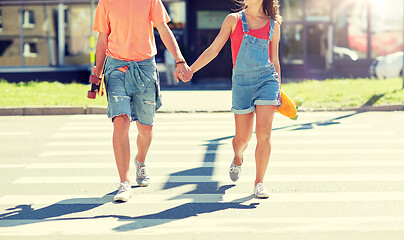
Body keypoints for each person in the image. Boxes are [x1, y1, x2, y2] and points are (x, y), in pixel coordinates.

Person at [93, 0, 192, 202]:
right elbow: (103, 39)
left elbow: (163, 29)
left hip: (145, 67)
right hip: (116, 66)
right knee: (120, 120)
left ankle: (141, 161)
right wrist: (96, 75)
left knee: (145, 127)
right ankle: (124, 182)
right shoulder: (106, 2)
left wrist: (180, 60)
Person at [189, 0, 282, 198]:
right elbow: (214, 50)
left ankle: (259, 183)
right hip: (242, 83)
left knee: (264, 133)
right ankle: (238, 158)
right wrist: (191, 69)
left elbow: (274, 60)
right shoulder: (233, 19)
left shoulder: (274, 24)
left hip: (267, 80)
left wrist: (278, 90)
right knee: (242, 139)